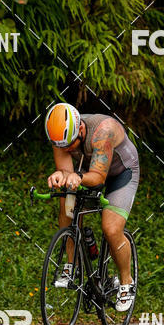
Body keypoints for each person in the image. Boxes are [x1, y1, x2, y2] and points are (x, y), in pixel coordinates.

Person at [44, 102, 139, 311]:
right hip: (87, 171)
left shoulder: (103, 132)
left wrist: (76, 176)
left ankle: (126, 282)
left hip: (120, 174)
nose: (67, 150)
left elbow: (97, 178)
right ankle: (72, 266)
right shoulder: (60, 137)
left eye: (70, 145)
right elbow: (67, 173)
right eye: (61, 147)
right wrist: (61, 176)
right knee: (67, 202)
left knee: (111, 229)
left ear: (80, 129)